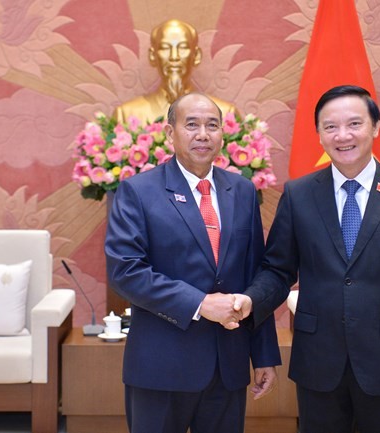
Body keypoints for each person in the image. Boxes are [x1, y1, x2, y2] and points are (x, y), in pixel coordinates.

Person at [235, 85, 380, 433]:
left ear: (376, 128)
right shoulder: (299, 195)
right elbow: (277, 270)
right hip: (319, 365)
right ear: (318, 134)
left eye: (354, 124)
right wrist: (249, 300)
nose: (342, 135)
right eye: (330, 126)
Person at [105, 92, 280, 433]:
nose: (203, 134)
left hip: (227, 367)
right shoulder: (138, 192)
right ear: (169, 134)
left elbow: (256, 276)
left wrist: (264, 356)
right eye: (192, 125)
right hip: (161, 367)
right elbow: (126, 271)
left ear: (222, 134)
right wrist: (200, 304)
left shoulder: (242, 191)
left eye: (212, 125)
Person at [114, 19, 238, 124]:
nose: (174, 57)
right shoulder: (126, 115)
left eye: (183, 48)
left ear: (196, 55)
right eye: (165, 48)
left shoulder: (225, 114)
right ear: (152, 56)